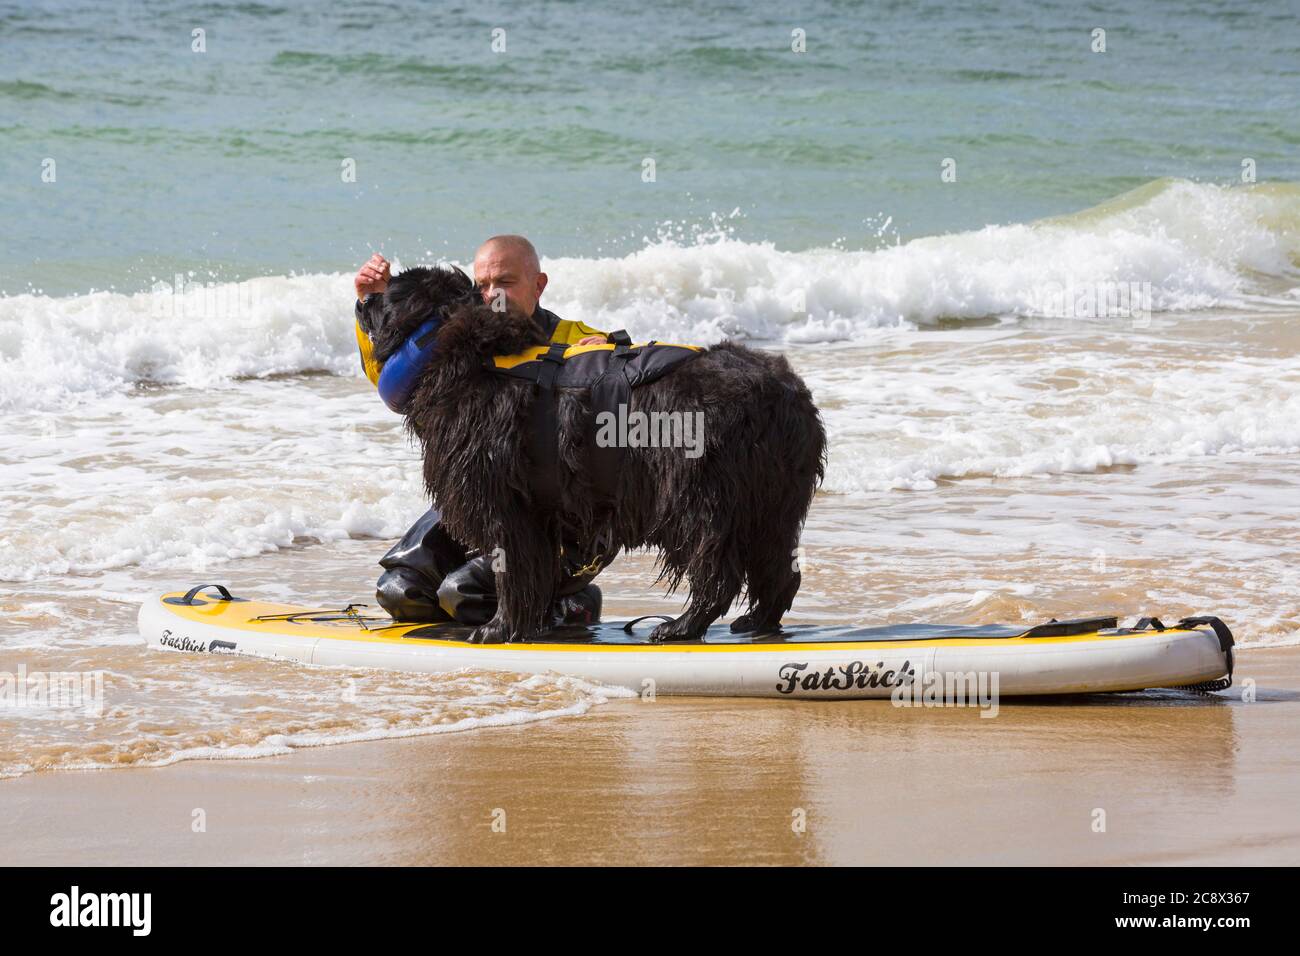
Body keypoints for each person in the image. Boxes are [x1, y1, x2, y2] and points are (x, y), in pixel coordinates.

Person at [353, 236, 613, 627]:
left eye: (505, 283)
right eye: (483, 285)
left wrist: (606, 352)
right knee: (399, 591)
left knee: (462, 594)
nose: (493, 296)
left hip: (561, 522)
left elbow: (640, 379)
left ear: (538, 285)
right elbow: (391, 384)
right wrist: (369, 303)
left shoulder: (576, 340)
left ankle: (571, 601)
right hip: (483, 502)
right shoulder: (465, 341)